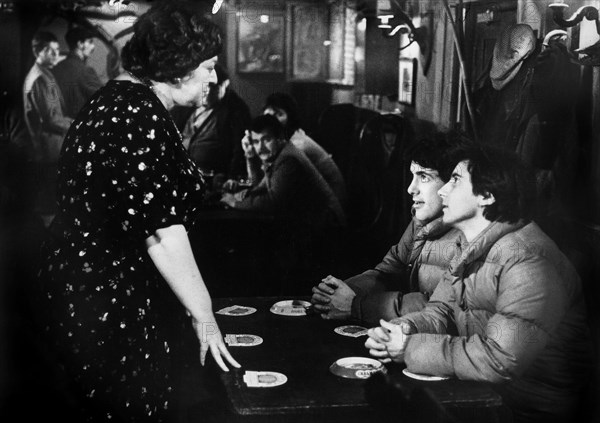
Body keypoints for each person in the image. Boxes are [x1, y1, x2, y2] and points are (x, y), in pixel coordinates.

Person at [34, 3, 240, 422]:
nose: (214, 78)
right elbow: (162, 233)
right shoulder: (139, 114)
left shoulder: (116, 99)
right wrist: (205, 317)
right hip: (106, 305)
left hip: (82, 295)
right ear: (179, 66)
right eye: (209, 67)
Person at [365, 144, 592, 423]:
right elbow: (441, 311)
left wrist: (409, 347)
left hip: (530, 411)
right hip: (489, 396)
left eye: (456, 180)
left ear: (486, 195)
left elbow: (499, 358)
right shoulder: (470, 245)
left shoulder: (528, 259)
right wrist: (404, 328)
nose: (443, 190)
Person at [310, 134, 460, 325]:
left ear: (454, 184)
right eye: (413, 175)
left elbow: (440, 308)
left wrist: (357, 305)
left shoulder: (468, 234)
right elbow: (389, 271)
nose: (410, 189)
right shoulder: (423, 220)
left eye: (423, 177)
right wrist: (339, 292)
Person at [221, 114, 345, 229]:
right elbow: (261, 186)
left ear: (280, 138)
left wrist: (235, 203)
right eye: (256, 141)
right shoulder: (279, 154)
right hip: (313, 224)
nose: (260, 147)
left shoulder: (288, 159)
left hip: (327, 227)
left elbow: (273, 202)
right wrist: (250, 156)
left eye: (267, 140)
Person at [262, 92, 347, 207]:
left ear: (290, 117)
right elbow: (264, 186)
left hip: (327, 214)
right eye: (268, 116)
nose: (272, 121)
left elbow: (272, 194)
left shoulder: (297, 145)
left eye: (279, 114)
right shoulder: (287, 140)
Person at [23, 31, 73, 215]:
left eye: (57, 50)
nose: (55, 55)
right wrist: (77, 126)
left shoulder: (42, 74)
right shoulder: (41, 79)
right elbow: (52, 119)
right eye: (51, 51)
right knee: (51, 202)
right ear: (40, 52)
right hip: (50, 150)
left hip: (49, 149)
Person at [171, 62, 251, 178]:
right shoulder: (186, 106)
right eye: (204, 86)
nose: (207, 92)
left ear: (225, 84)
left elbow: (239, 150)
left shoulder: (235, 110)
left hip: (213, 177)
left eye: (213, 87)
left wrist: (231, 177)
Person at [51, 26, 103, 119]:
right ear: (80, 44)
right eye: (90, 42)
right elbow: (104, 99)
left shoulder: (56, 69)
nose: (93, 46)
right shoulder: (85, 71)